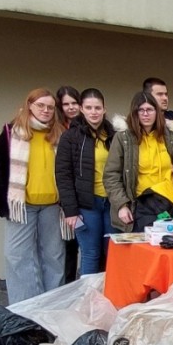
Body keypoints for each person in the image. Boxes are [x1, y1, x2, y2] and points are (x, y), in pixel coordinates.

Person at [0, 88, 67, 304]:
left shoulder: (60, 134)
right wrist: (2, 205)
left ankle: (51, 307)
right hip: (21, 205)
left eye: (50, 107)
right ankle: (25, 307)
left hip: (53, 206)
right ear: (29, 106)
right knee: (18, 256)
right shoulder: (11, 132)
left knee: (53, 258)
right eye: (40, 105)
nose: (46, 110)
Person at [55, 88, 116, 275]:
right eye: (88, 108)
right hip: (87, 205)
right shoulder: (70, 137)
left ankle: (110, 292)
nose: (93, 112)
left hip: (112, 203)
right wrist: (70, 210)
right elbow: (63, 175)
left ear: (104, 109)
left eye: (97, 108)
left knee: (113, 253)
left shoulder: (114, 136)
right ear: (81, 109)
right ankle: (88, 293)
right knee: (90, 254)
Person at [103, 92, 173, 232]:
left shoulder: (171, 137)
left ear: (157, 112)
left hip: (170, 203)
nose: (146, 114)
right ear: (135, 113)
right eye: (141, 110)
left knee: (170, 244)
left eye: (150, 109)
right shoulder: (123, 138)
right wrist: (122, 205)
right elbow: (111, 175)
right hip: (139, 205)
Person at [56, 85, 82, 282]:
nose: (71, 107)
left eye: (74, 103)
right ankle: (68, 286)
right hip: (63, 196)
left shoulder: (89, 127)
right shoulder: (55, 130)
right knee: (68, 246)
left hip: (85, 194)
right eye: (66, 104)